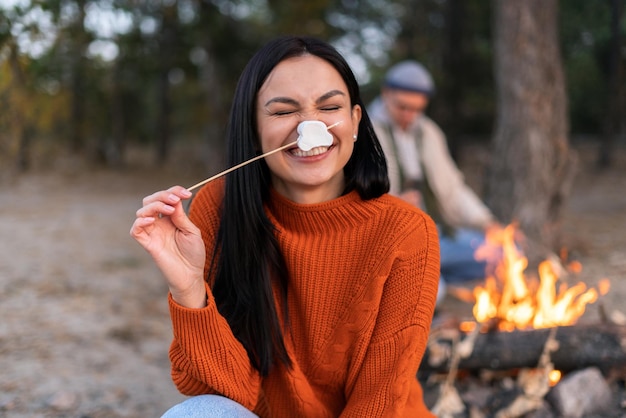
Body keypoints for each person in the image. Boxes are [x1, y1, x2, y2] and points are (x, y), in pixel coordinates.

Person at [130, 36, 439, 417]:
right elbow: (211, 391)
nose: (311, 127)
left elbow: (378, 404)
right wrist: (189, 289)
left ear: (356, 121)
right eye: (282, 112)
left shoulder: (408, 232)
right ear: (253, 127)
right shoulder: (219, 205)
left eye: (329, 107)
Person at [368, 60, 500, 304]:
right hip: (396, 244)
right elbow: (356, 200)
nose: (410, 115)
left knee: (505, 253)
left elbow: (453, 189)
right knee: (429, 294)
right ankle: (427, 279)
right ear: (386, 93)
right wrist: (394, 204)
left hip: (440, 237)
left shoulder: (429, 132)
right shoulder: (363, 132)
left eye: (417, 109)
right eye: (403, 107)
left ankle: (435, 274)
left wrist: (486, 222)